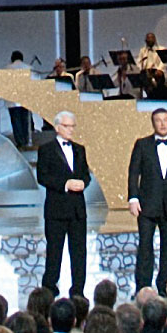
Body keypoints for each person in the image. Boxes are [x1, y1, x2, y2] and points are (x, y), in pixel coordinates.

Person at [128, 108, 167, 293]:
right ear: (153, 123)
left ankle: (164, 285)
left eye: (165, 120)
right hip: (146, 204)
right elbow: (134, 172)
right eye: (158, 120)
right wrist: (133, 198)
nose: (163, 124)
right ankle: (143, 287)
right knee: (145, 246)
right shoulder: (142, 144)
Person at [39, 111, 95, 298]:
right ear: (57, 127)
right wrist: (65, 184)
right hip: (56, 209)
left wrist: (83, 183)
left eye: (73, 126)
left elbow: (85, 174)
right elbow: (42, 176)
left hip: (77, 210)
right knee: (54, 251)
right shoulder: (46, 149)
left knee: (79, 252)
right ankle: (49, 288)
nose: (71, 130)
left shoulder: (80, 149)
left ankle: (78, 290)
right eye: (67, 126)